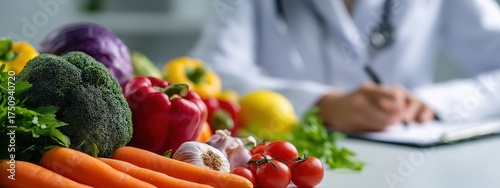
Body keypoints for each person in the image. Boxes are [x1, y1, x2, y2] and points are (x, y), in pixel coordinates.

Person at [190, 0, 500, 133]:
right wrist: (320, 104)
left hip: (407, 162)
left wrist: (435, 103)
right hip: (284, 165)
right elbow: (210, 74)